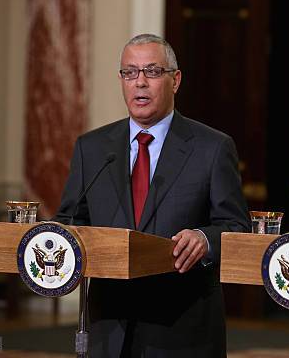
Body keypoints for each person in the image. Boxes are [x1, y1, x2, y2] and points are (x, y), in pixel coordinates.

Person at [55, 33, 250, 357]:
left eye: (152, 72)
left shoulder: (212, 148)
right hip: (109, 328)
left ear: (175, 80)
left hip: (181, 330)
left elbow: (236, 226)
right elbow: (71, 220)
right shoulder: (92, 148)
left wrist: (205, 238)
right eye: (130, 73)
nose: (140, 83)